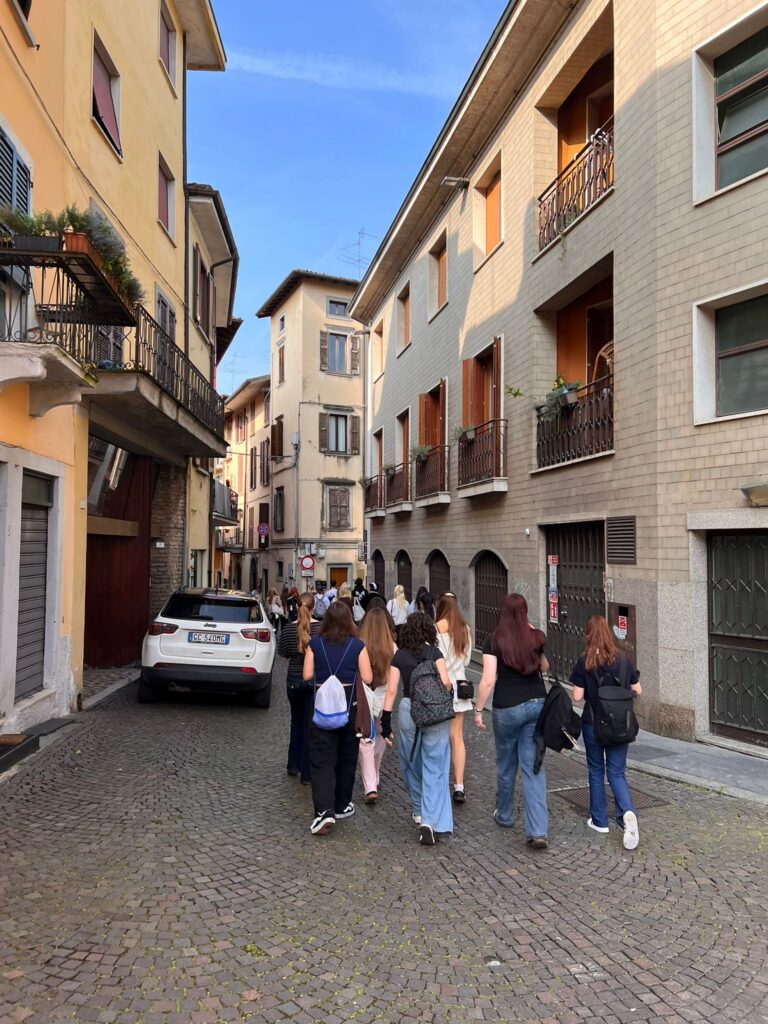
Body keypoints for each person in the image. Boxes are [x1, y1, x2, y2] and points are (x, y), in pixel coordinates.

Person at [473, 593, 549, 850]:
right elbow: (545, 667)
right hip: (536, 705)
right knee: (533, 766)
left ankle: (504, 815)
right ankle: (537, 831)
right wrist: (534, 637)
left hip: (507, 708)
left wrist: (478, 709)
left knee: (506, 764)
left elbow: (488, 680)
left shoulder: (493, 641)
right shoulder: (536, 636)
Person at [381, 612, 453, 846]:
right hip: (434, 713)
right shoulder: (435, 654)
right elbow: (446, 683)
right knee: (435, 765)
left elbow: (391, 691)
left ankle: (419, 809)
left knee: (411, 761)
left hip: (408, 709)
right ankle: (431, 820)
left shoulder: (399, 656)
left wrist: (385, 723)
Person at [570, 616, 642, 850]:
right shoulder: (623, 659)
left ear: (587, 635)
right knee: (617, 773)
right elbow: (638, 689)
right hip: (620, 724)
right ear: (609, 635)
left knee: (596, 770)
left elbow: (577, 697)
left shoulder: (585, 662)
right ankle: (627, 811)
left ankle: (599, 821)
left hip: (593, 723)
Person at [303, 601, 373, 836]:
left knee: (322, 759)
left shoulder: (315, 644)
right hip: (348, 706)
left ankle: (324, 810)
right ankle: (342, 804)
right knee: (347, 756)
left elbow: (307, 675)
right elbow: (368, 677)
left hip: (322, 707)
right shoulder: (358, 645)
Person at [278, 593, 321, 784]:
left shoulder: (288, 628)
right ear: (314, 607)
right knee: (310, 725)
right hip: (313, 680)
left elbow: (283, 655)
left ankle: (293, 764)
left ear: (296, 606)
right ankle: (307, 773)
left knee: (296, 722)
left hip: (294, 681)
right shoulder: (320, 628)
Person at [435, 593, 473, 803]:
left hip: (439, 687)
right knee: (457, 736)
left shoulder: (435, 629)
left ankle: (439, 782)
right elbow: (466, 662)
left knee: (439, 736)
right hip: (460, 687)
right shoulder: (465, 629)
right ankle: (459, 785)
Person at [357, 607, 396, 804]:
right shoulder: (393, 648)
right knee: (379, 737)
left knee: (365, 740)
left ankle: (370, 784)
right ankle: (376, 774)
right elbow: (392, 683)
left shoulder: (359, 645)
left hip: (365, 700)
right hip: (383, 700)